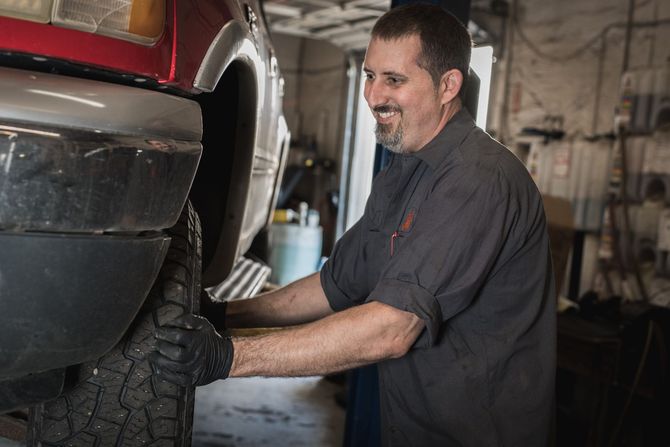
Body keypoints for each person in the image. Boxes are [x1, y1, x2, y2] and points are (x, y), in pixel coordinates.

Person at [150, 4, 556, 446]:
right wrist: (225, 314)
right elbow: (335, 285)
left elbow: (392, 329)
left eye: (394, 80)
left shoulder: (479, 179)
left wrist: (228, 357)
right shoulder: (403, 172)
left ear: (448, 85)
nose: (373, 95)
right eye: (369, 75)